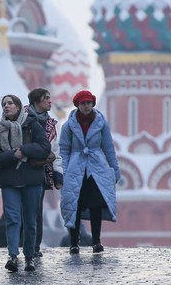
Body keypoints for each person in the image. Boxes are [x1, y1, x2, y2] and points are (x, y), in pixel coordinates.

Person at [0, 94, 50, 273]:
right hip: (10, 181)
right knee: (12, 219)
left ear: (18, 107)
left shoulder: (32, 125)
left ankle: (29, 256)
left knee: (30, 220)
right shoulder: (1, 130)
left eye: (10, 103)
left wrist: (23, 149)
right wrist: (14, 155)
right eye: (4, 104)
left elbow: (44, 148)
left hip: (32, 180)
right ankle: (13, 256)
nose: (6, 106)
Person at [59, 90, 120, 254]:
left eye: (88, 103)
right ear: (77, 105)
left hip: (96, 168)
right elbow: (63, 149)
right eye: (83, 103)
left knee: (95, 206)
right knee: (75, 206)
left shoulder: (101, 123)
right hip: (75, 168)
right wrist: (64, 170)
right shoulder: (68, 126)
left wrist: (114, 169)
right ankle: (74, 242)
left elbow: (108, 147)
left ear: (92, 104)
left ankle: (96, 242)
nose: (86, 106)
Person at [24, 88, 63, 257]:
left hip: (41, 172)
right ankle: (21, 245)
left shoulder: (51, 124)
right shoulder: (22, 118)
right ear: (36, 101)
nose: (49, 101)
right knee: (21, 211)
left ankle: (35, 246)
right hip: (22, 170)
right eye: (46, 98)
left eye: (49, 97)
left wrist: (58, 174)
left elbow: (55, 150)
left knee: (37, 210)